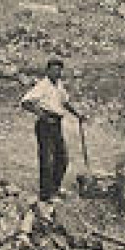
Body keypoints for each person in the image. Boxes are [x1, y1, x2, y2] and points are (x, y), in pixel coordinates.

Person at [19, 57, 83, 201]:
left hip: (57, 124)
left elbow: (65, 102)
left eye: (59, 70)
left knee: (62, 158)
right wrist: (42, 115)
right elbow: (25, 102)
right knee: (47, 160)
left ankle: (55, 188)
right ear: (47, 71)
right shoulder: (43, 86)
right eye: (54, 70)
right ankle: (46, 194)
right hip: (45, 125)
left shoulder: (58, 84)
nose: (57, 73)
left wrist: (78, 114)